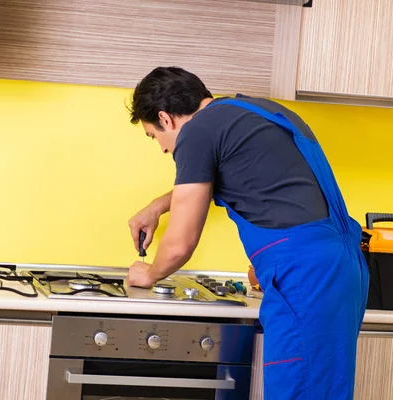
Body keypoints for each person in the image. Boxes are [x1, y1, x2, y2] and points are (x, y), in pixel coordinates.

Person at [126, 66, 369, 400]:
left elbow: (180, 244)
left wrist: (149, 274)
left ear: (166, 119)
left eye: (156, 138)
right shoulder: (257, 112)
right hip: (341, 267)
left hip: (304, 277)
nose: (165, 150)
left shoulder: (197, 132)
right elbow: (215, 179)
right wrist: (158, 206)